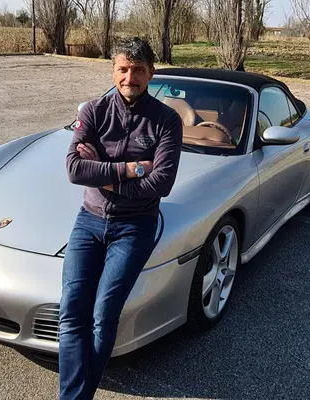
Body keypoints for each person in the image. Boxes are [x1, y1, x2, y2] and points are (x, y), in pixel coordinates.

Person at [59, 37, 183, 399]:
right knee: (71, 312)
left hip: (134, 227)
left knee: (103, 315)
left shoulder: (167, 121)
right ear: (113, 71)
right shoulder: (94, 111)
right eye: (123, 69)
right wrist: (129, 169)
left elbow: (161, 183)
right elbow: (74, 169)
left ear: (151, 73)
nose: (130, 78)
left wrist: (102, 171)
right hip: (89, 220)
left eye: (139, 70)